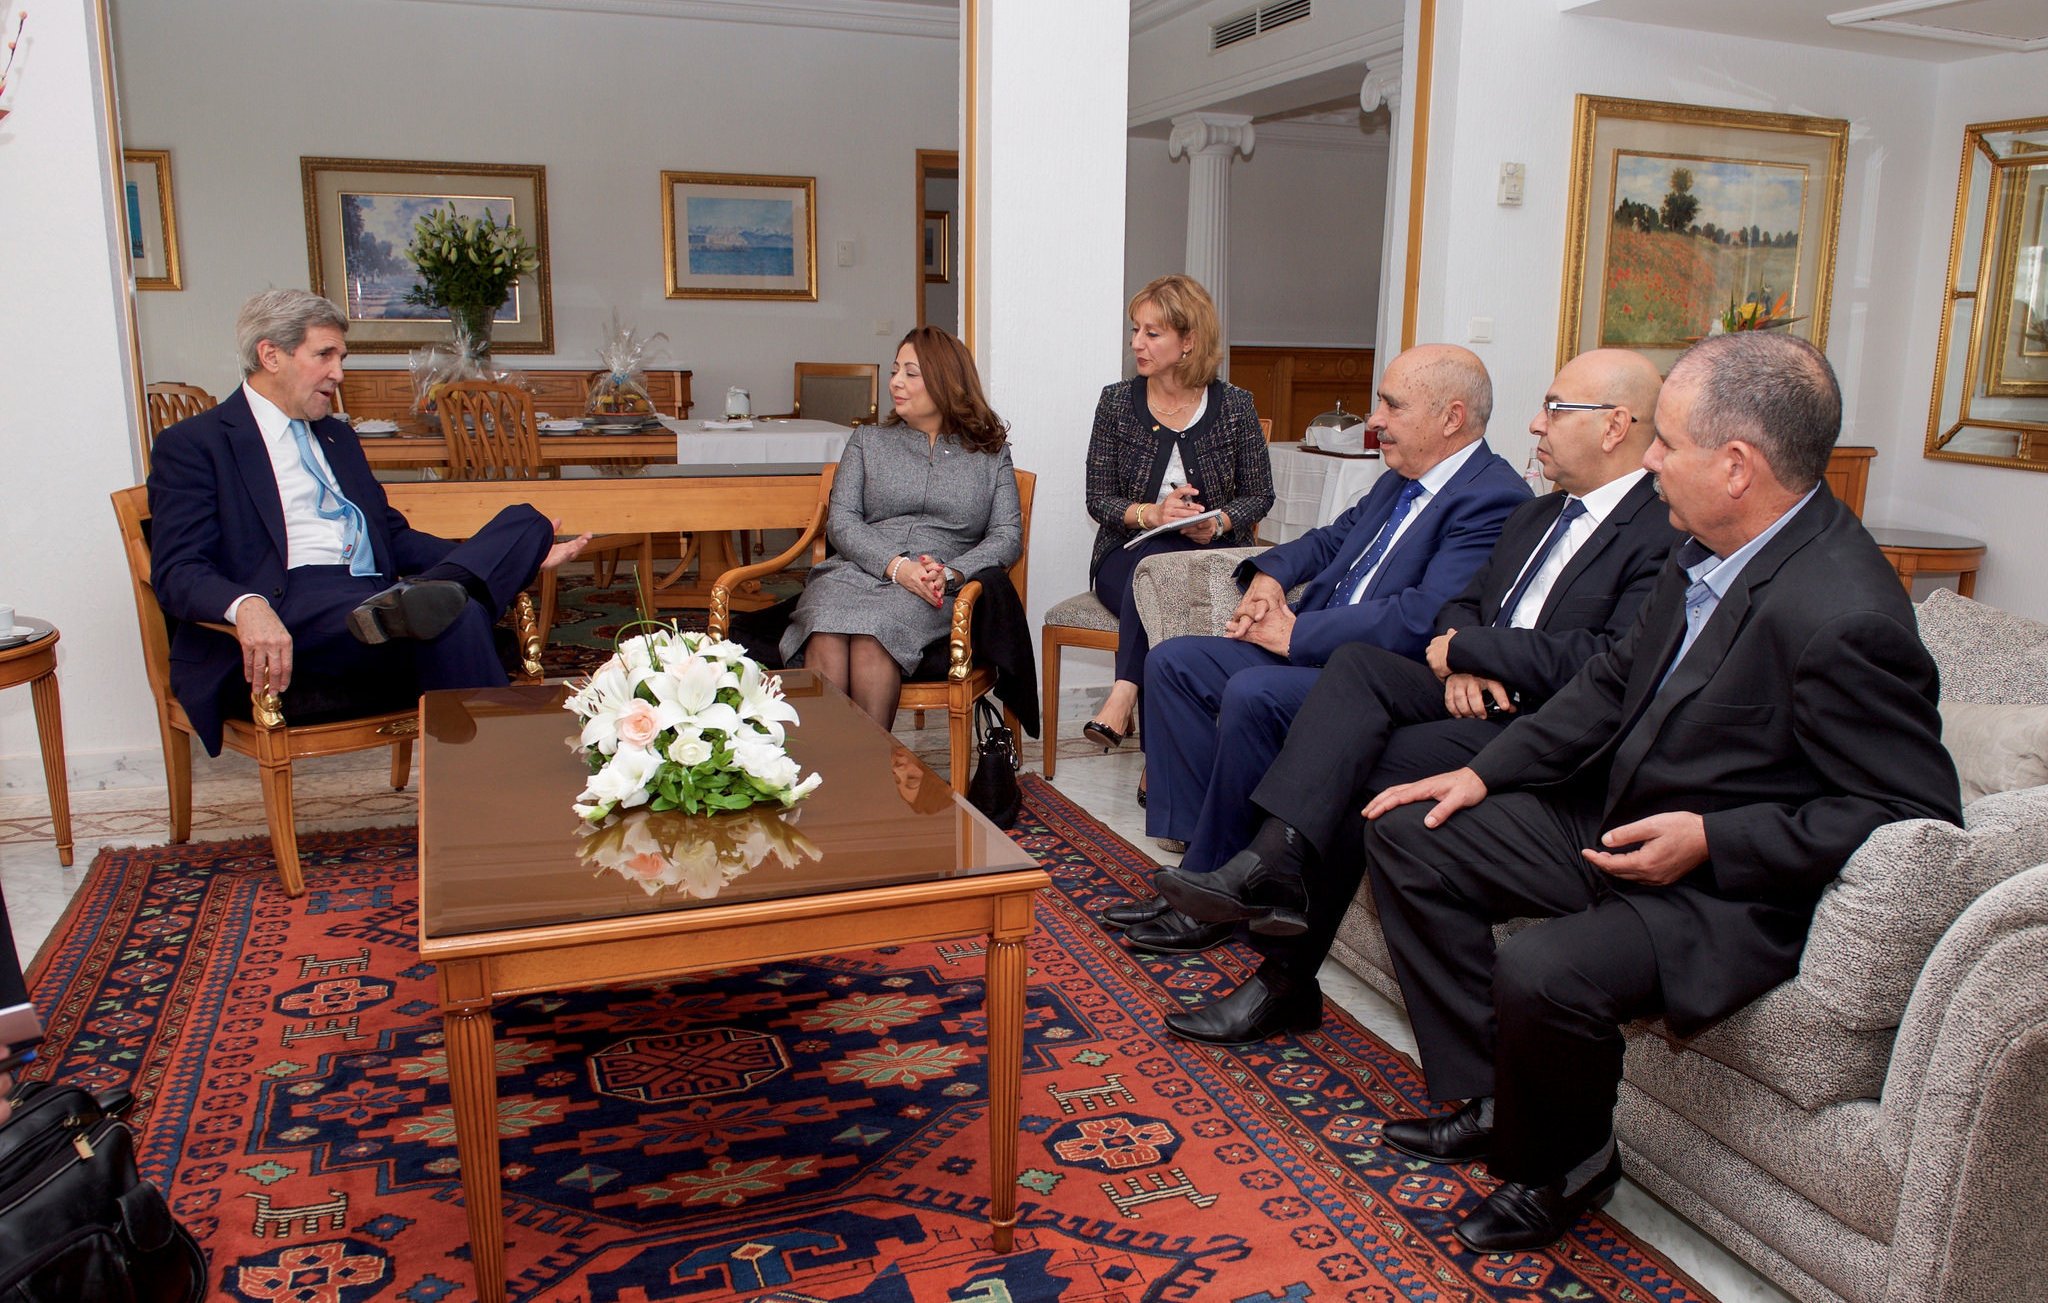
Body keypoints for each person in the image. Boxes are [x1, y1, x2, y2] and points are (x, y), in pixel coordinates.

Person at [1359, 332, 1961, 1254]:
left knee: (1542, 969)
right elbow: (1610, 680)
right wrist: (1485, 769)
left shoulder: (1846, 614)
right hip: (1620, 822)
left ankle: (1567, 1163)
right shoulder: (1702, 543)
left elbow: (1911, 814)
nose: (1646, 460)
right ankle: (1491, 1093)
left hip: (1721, 887)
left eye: (1664, 444)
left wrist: (1716, 839)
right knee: (1414, 829)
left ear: (1735, 466)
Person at [1139, 349, 1678, 1030]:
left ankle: (1280, 953)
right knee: (1357, 674)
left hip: (1542, 724)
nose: (1536, 425)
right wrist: (1464, 655)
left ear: (1614, 426)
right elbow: (1461, 607)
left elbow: (1601, 658)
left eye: (1555, 409)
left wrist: (1476, 651)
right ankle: (1270, 874)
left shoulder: (1657, 535)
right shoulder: (1540, 515)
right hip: (1467, 691)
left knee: (1351, 762)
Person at [1122, 344, 1529, 949]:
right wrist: (1270, 574)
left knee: (1252, 690)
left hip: (1369, 675)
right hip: (1312, 643)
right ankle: (1198, 869)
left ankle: (1212, 900)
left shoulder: (1493, 498)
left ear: (1451, 417)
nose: (1375, 420)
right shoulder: (1401, 478)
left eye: (1392, 404)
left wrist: (1297, 634)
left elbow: (1422, 618)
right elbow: (1327, 539)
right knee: (1174, 663)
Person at [147, 289, 590, 757]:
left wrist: (519, 553)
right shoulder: (196, 444)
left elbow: (390, 536)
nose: (338, 373)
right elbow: (177, 570)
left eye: (341, 357)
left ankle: (431, 599)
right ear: (270, 355)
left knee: (526, 523)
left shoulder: (336, 436)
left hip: (374, 597)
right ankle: (500, 775)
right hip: (293, 599)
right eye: (325, 355)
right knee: (461, 614)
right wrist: (246, 604)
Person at [1079, 275, 1273, 775]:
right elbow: (1098, 498)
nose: (1136, 343)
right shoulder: (1117, 403)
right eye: (1135, 330)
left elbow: (1260, 494)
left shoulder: (1235, 407)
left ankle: (1128, 705)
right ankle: (1155, 753)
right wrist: (1154, 515)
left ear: (1189, 342)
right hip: (1127, 554)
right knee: (1156, 568)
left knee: (1172, 574)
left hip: (1213, 556)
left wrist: (1220, 521)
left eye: (1152, 333)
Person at [780, 326, 1022, 727]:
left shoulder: (990, 454)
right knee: (823, 626)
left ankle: (870, 779)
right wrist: (895, 566)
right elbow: (842, 521)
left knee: (875, 634)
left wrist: (949, 572)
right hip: (856, 570)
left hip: (933, 582)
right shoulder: (868, 441)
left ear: (946, 382)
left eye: (911, 373)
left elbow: (1006, 536)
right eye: (896, 371)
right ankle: (827, 777)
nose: (895, 382)